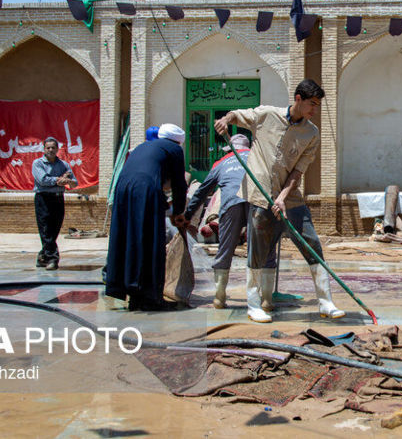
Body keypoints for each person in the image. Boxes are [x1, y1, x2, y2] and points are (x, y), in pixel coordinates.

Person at [214, 79, 344, 323]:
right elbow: (237, 115)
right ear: (298, 99)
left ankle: (326, 302)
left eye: (317, 105)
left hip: (290, 200)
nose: (313, 110)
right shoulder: (266, 115)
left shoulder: (311, 133)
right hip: (260, 196)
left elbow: (298, 171)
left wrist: (283, 197)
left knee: (312, 244)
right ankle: (254, 305)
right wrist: (224, 119)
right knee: (257, 251)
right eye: (311, 104)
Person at [105, 123, 189, 311]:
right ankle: (150, 297)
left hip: (123, 188)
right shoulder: (174, 149)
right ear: (179, 141)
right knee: (151, 240)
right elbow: (179, 183)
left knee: (129, 237)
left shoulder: (144, 146)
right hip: (144, 189)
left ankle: (128, 289)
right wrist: (178, 212)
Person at [184, 134, 252, 309]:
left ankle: (219, 297)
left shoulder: (222, 162)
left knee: (225, 248)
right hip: (256, 203)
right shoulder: (257, 158)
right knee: (259, 249)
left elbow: (201, 192)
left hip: (230, 203)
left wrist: (188, 216)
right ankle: (261, 300)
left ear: (230, 150)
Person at [32, 137, 77, 270]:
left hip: (58, 199)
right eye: (48, 148)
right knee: (45, 229)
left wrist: (68, 181)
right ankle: (52, 258)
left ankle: (43, 256)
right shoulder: (38, 163)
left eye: (53, 147)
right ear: (44, 149)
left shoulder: (63, 165)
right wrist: (59, 179)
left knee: (54, 230)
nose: (50, 150)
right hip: (43, 199)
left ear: (57, 149)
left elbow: (74, 182)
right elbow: (43, 180)